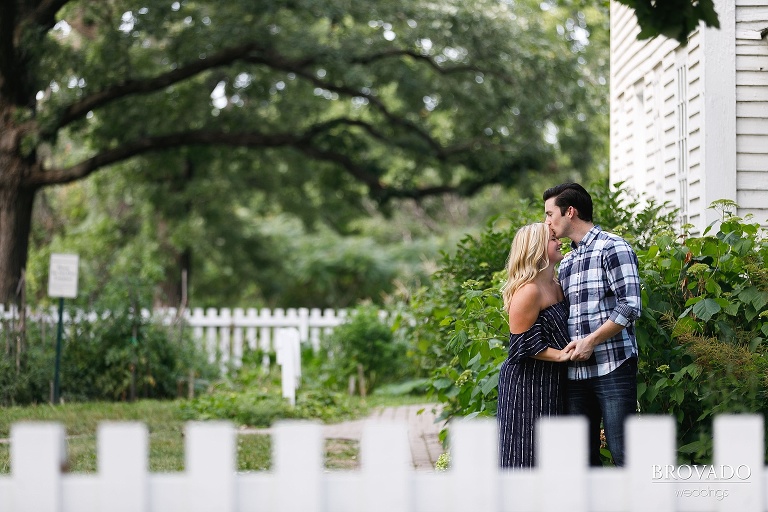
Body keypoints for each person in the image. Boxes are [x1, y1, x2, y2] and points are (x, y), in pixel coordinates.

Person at [543, 182, 641, 467]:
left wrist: (591, 341)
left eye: (550, 214)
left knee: (624, 453)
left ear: (570, 211)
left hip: (613, 367)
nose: (547, 222)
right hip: (575, 374)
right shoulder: (568, 260)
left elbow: (630, 305)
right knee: (581, 458)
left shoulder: (613, 247)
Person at [497, 222, 572, 468]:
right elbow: (521, 345)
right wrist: (562, 356)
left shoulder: (556, 284)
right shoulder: (529, 291)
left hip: (551, 381)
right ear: (537, 249)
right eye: (552, 239)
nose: (559, 241)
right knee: (526, 453)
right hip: (527, 385)